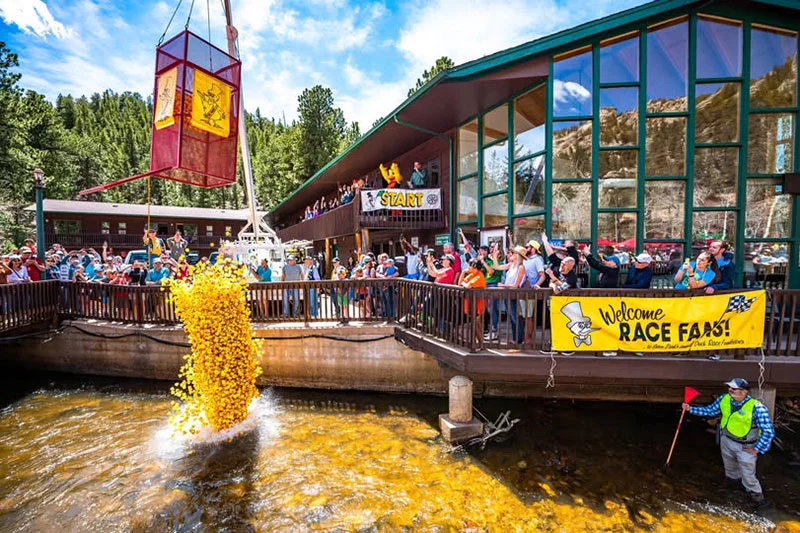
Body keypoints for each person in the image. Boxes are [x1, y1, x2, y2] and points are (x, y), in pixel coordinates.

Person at [682, 378, 774, 508]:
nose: (730, 390)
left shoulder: (757, 408)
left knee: (748, 476)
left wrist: (758, 448)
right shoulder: (724, 399)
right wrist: (690, 409)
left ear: (744, 392)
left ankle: (758, 500)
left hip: (746, 446)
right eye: (729, 387)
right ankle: (732, 491)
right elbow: (710, 411)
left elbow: (768, 431)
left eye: (734, 388)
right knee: (730, 470)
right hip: (727, 441)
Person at [461, 258, 487, 344]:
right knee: (475, 323)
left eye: (470, 266)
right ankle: (478, 342)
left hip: (478, 305)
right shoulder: (472, 274)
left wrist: (464, 284)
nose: (468, 267)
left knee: (476, 323)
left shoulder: (479, 276)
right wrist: (463, 273)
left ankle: (481, 343)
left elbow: (467, 285)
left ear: (474, 267)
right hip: (473, 304)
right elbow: (460, 282)